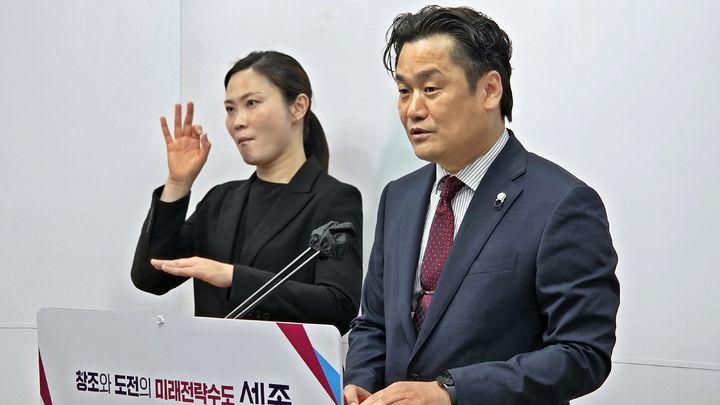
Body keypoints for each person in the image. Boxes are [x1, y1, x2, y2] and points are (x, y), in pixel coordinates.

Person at [344, 6, 619, 404]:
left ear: (490, 89)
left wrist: (450, 392)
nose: (413, 110)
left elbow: (582, 353)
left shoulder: (561, 203)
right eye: (404, 91)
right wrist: (360, 383)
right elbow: (373, 323)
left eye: (430, 89)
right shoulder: (398, 197)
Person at [131, 51, 362, 334]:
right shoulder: (220, 200)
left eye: (251, 103)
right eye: (230, 109)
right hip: (212, 361)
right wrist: (177, 184)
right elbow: (150, 278)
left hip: (282, 363)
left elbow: (339, 306)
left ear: (298, 107)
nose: (238, 121)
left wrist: (233, 277)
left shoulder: (333, 199)